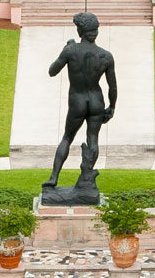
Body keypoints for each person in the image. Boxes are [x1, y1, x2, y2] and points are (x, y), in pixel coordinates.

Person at [44, 11, 117, 198]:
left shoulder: (71, 51)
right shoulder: (106, 56)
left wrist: (66, 49)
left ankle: (53, 177)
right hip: (96, 100)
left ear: (80, 31)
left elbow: (52, 71)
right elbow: (112, 87)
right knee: (93, 138)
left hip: (77, 100)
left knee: (67, 137)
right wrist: (112, 107)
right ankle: (87, 178)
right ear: (96, 32)